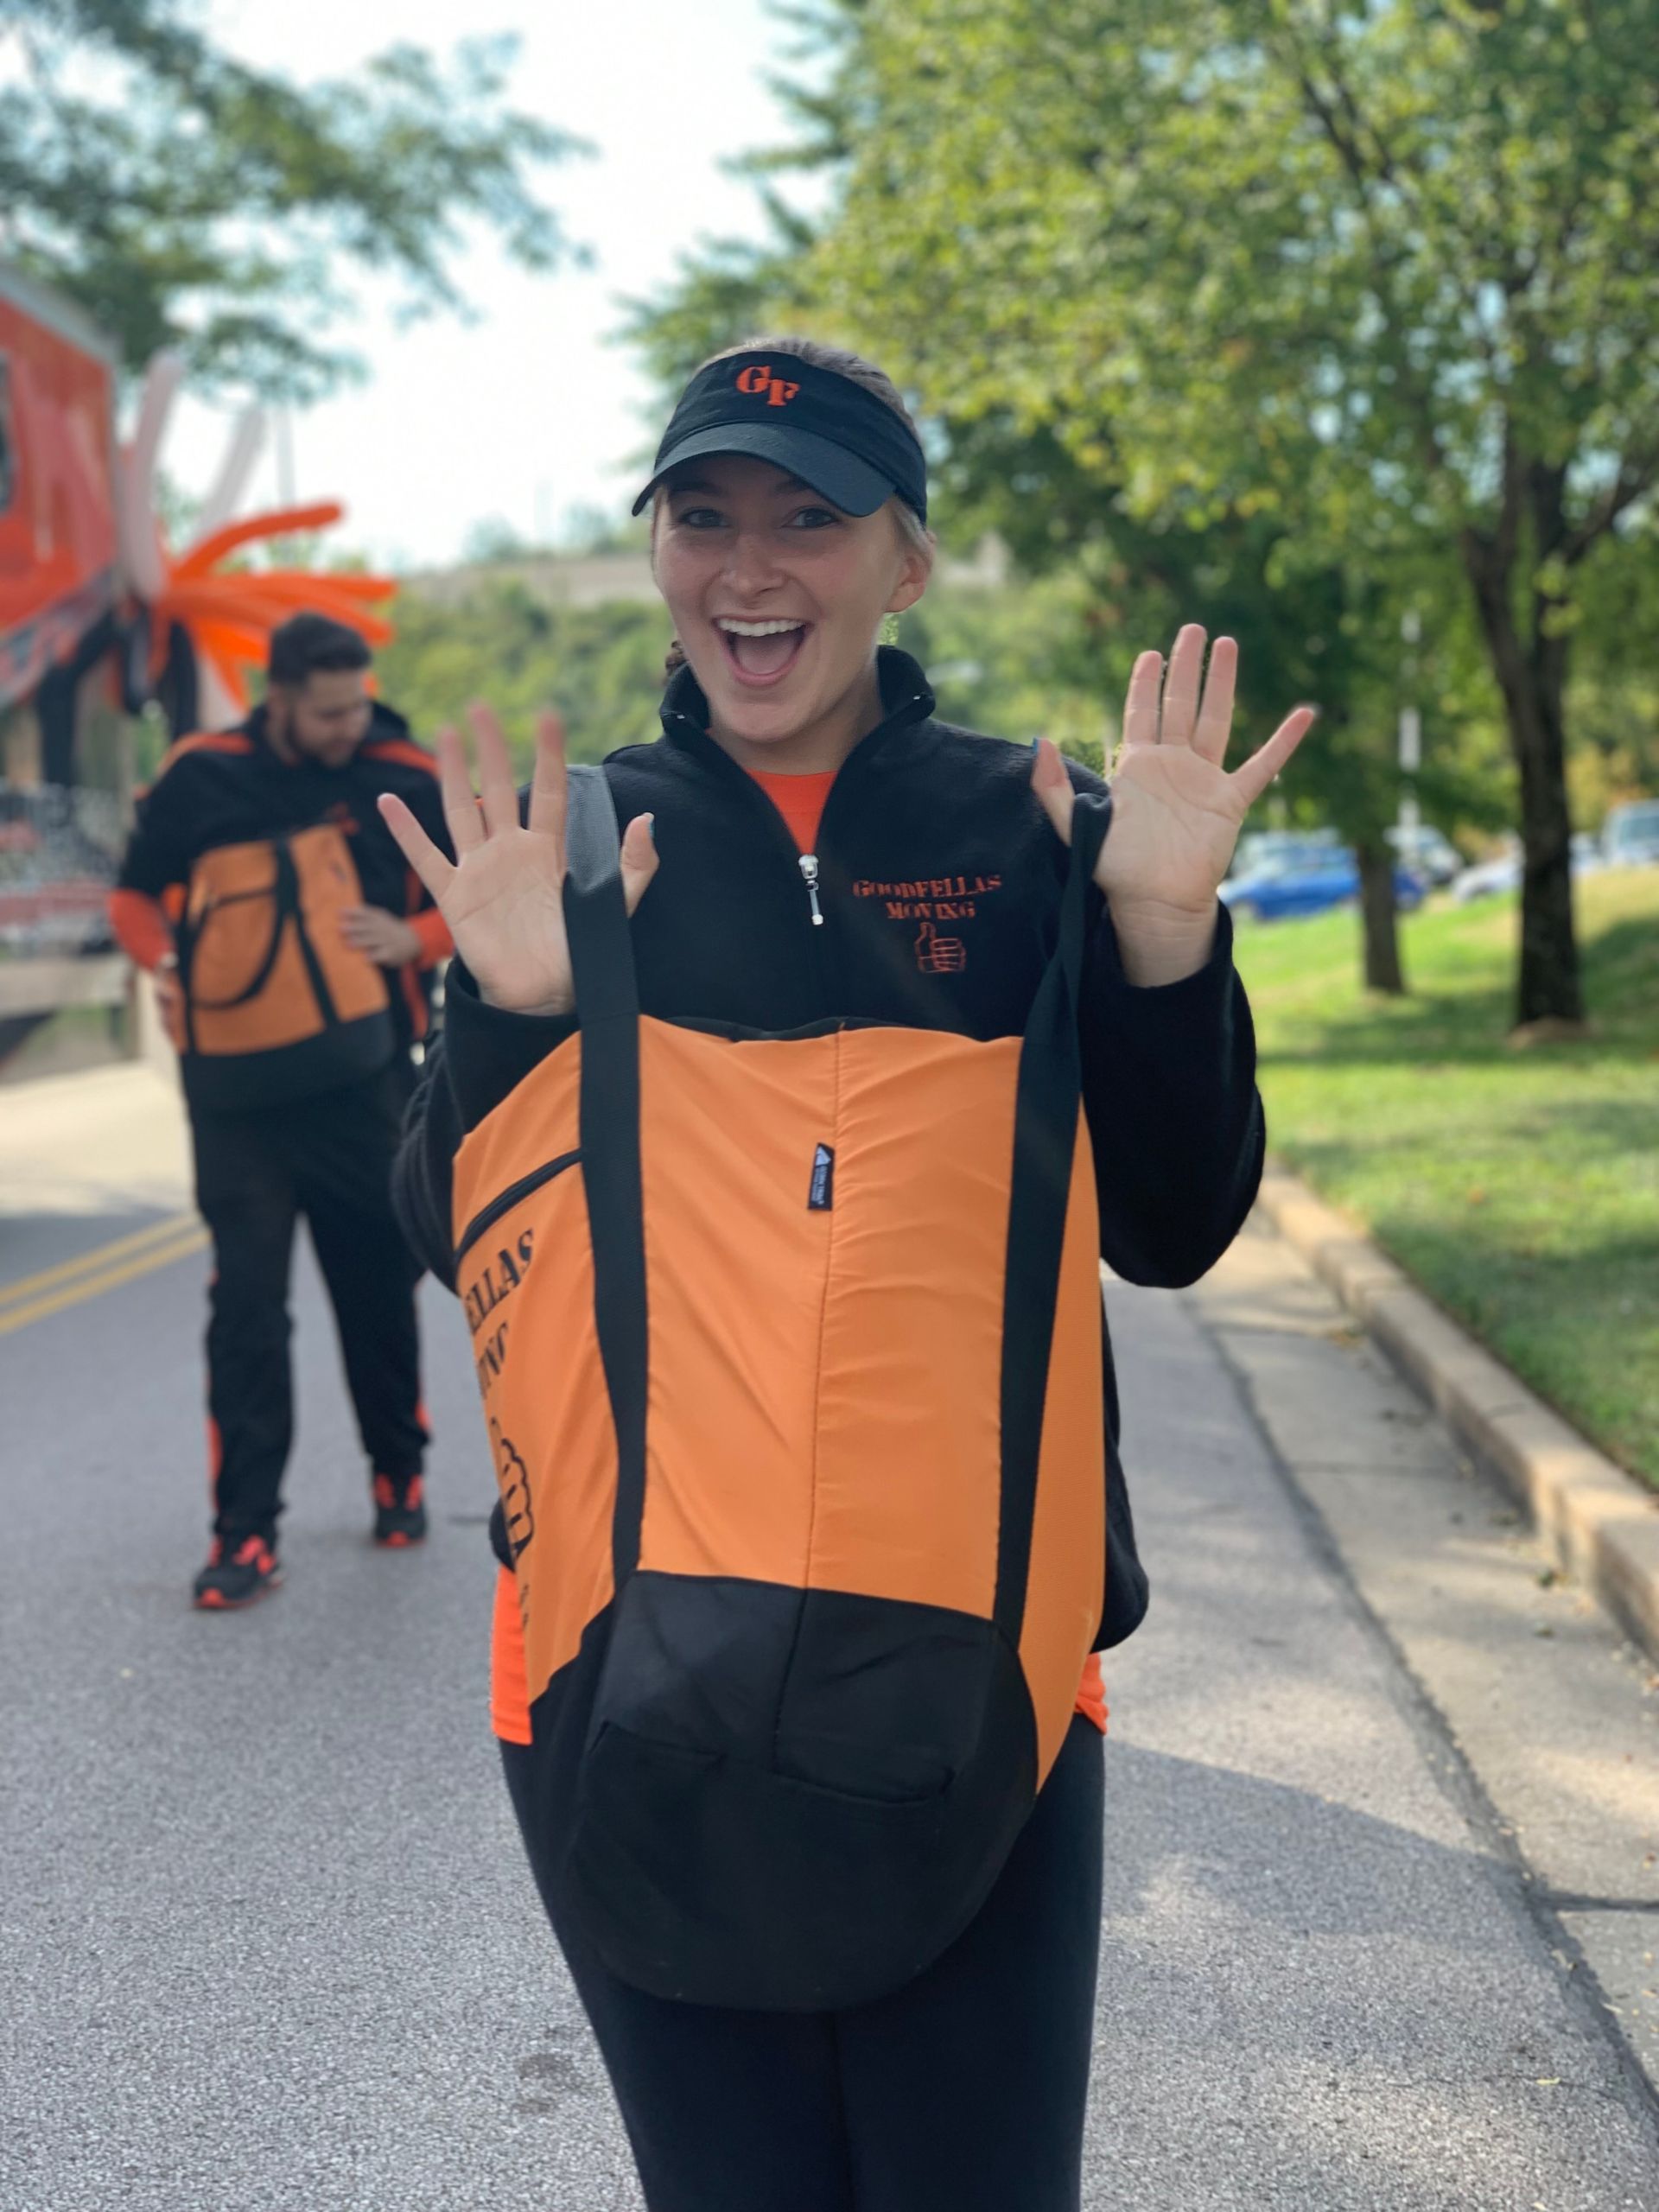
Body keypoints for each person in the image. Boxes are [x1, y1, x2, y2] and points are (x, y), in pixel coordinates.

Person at [388, 337, 1313, 2210]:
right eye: (703, 516)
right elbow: (447, 1227)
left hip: (987, 1668)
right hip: (616, 1659)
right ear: (653, 549)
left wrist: (1158, 937)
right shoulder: (574, 853)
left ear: (907, 560)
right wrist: (507, 1017)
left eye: (810, 520)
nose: (750, 569)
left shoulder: (1038, 830)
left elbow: (1174, 1217)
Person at [111, 613, 454, 1608]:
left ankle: (399, 1469)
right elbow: (133, 896)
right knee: (247, 1312)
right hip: (235, 1098)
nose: (350, 723)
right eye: (330, 709)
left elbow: (471, 892)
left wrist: (414, 935)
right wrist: (165, 963)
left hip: (365, 1084)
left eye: (358, 702)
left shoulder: (402, 768)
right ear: (280, 698)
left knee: (375, 1291)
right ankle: (244, 1535)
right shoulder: (200, 774)